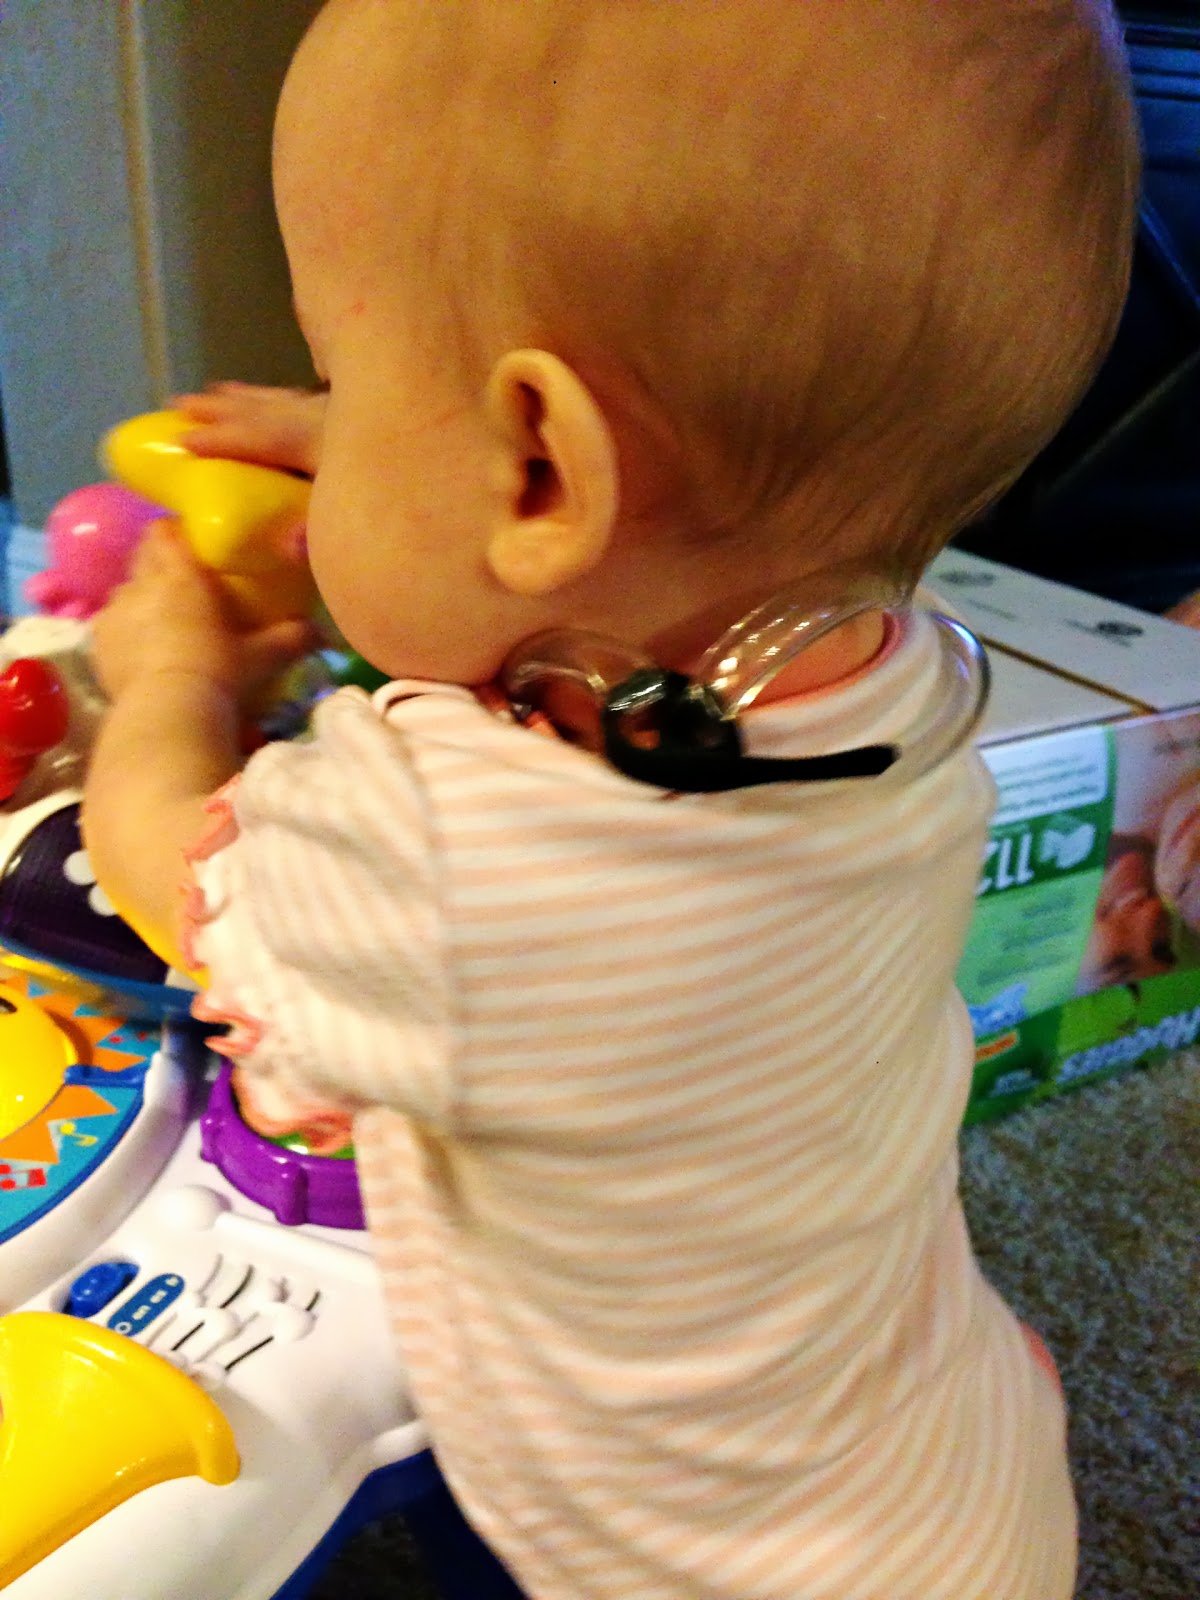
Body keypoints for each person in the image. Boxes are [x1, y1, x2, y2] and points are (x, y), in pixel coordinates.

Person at [82, 3, 1139, 1596]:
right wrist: (397, 448)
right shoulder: (896, 676)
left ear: (538, 473)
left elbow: (157, 859)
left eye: (339, 371)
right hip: (948, 1474)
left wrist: (172, 680)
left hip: (690, 1564)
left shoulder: (435, 860)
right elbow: (672, 507)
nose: (329, 411)